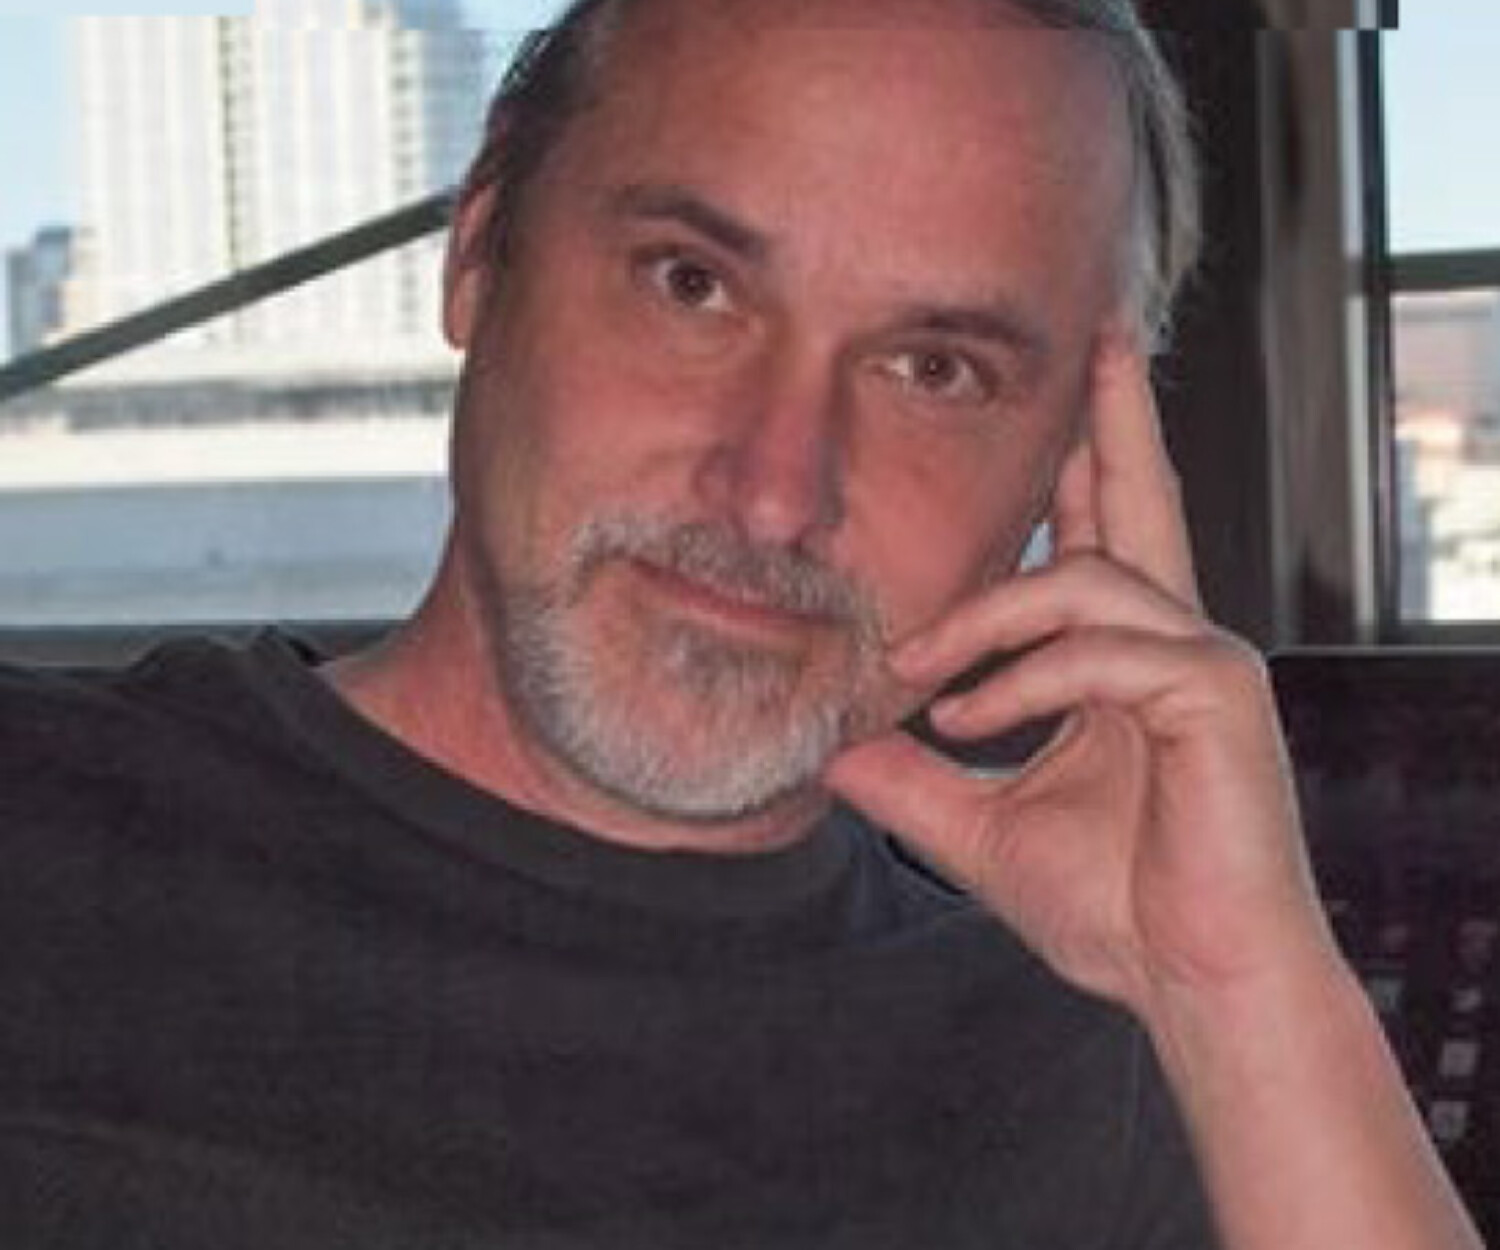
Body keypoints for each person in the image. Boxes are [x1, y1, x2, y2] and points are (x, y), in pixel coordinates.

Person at [0, 0, 1482, 1246]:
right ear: (480, 248)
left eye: (935, 369)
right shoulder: (48, 828)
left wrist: (1238, 984)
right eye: (692, 284)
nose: (775, 492)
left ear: (1069, 466)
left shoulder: (1108, 1074)